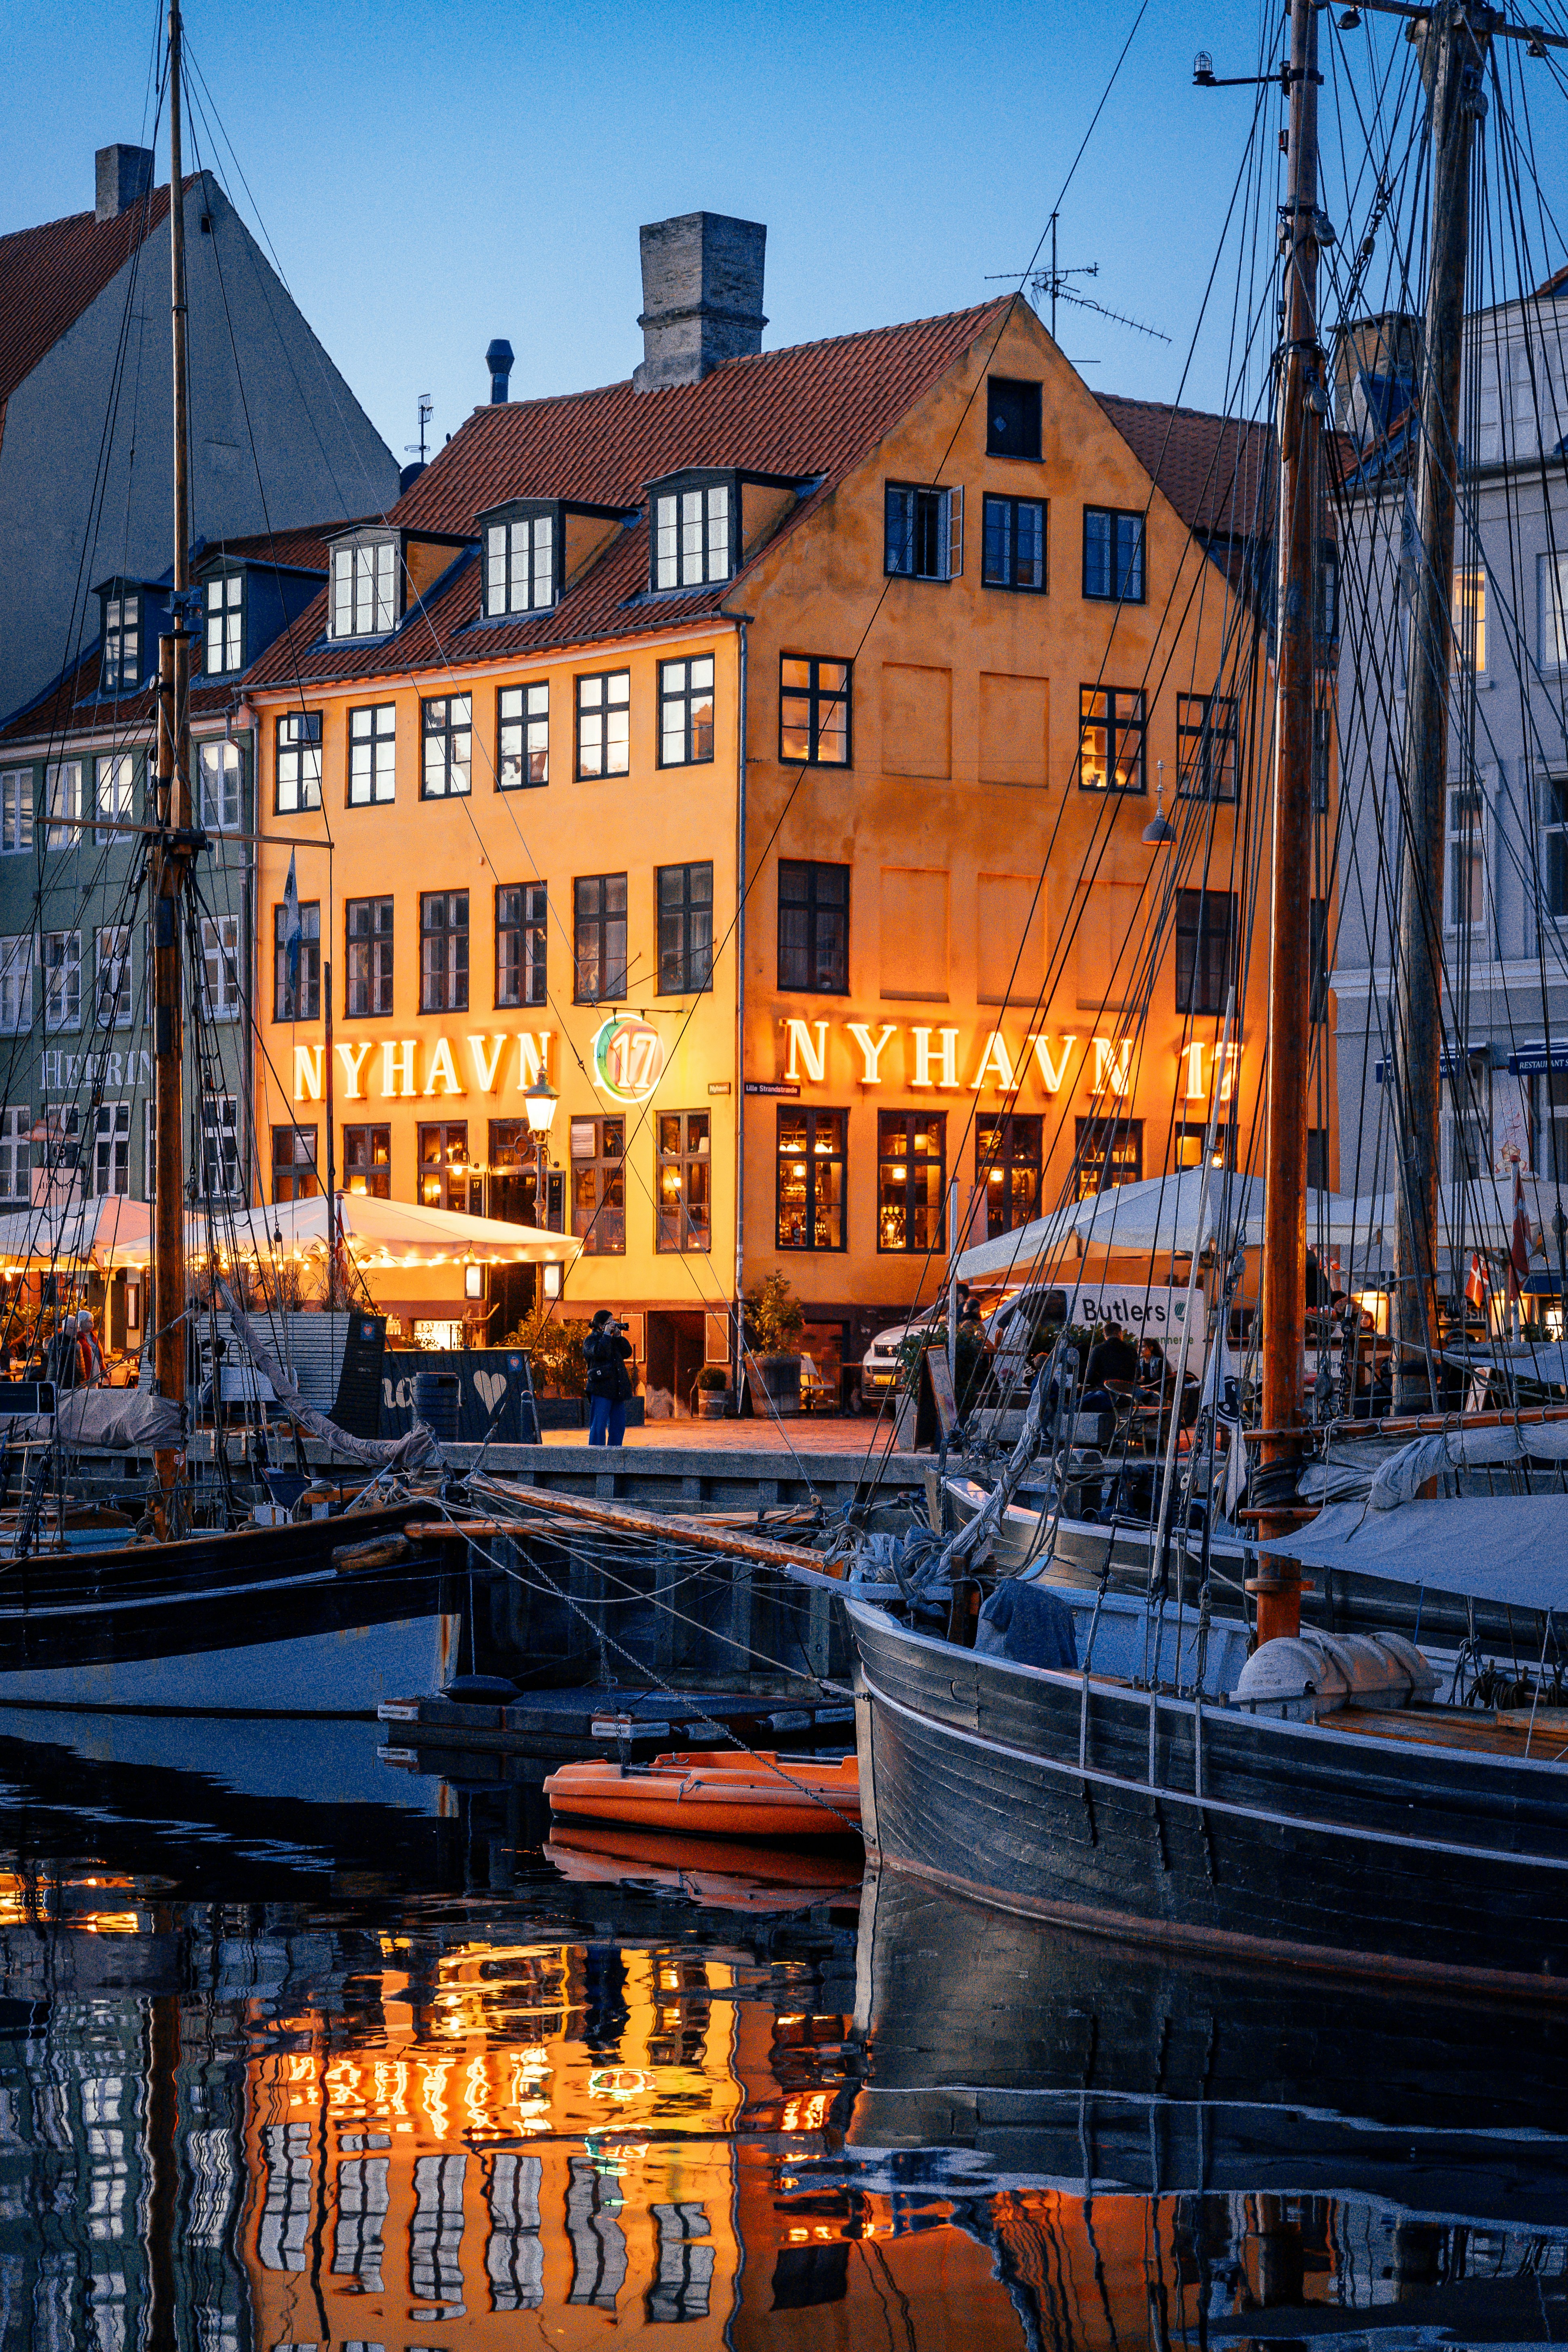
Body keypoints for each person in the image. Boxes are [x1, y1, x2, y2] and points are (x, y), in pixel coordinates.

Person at [584, 1308, 635, 1448]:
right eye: (610, 1322)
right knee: (599, 1426)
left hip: (618, 1390)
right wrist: (606, 1334)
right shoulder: (591, 1340)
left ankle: (615, 1455)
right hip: (601, 1389)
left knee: (618, 1426)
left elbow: (627, 1353)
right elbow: (599, 1353)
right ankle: (596, 1455)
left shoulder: (613, 1340)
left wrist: (618, 1337)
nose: (613, 1324)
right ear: (601, 1326)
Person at [1083, 1322, 1139, 1400]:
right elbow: (1138, 1374)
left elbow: (1090, 1375)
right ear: (1120, 1333)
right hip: (1128, 1396)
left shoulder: (1098, 1350)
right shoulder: (1131, 1350)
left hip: (1106, 1394)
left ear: (1105, 1335)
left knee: (1075, 1406)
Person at [76, 1308, 104, 1387]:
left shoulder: (94, 1337)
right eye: (89, 1322)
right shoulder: (77, 1338)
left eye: (92, 1321)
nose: (92, 1324)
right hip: (85, 1376)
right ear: (81, 1323)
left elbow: (100, 1355)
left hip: (96, 1375)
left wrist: (104, 1372)